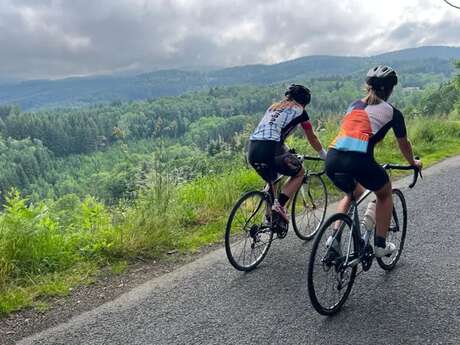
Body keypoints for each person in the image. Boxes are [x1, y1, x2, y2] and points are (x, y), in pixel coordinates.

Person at [325, 65, 422, 257]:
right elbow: (404, 144)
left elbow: (355, 134)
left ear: (368, 87)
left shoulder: (353, 105)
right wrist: (413, 162)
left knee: (352, 193)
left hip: (332, 158)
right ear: (390, 90)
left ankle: (334, 239)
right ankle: (380, 245)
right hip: (359, 161)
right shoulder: (393, 113)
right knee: (385, 193)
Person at [248, 84, 327, 223]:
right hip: (271, 149)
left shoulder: (273, 107)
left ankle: (269, 219)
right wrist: (323, 154)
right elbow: (311, 136)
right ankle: (279, 206)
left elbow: (274, 133)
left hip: (253, 149)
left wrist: (286, 151)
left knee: (272, 180)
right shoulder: (300, 111)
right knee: (300, 173)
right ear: (304, 102)